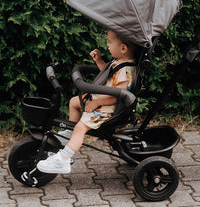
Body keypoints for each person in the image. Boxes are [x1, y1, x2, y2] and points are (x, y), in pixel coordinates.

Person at [37, 30, 137, 173]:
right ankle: (69, 136)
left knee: (80, 128)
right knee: (73, 102)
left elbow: (118, 96)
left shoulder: (127, 70)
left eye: (110, 42)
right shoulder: (120, 62)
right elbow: (108, 76)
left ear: (123, 48)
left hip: (108, 109)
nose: (107, 44)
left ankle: (64, 159)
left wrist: (96, 103)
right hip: (102, 100)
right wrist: (98, 61)